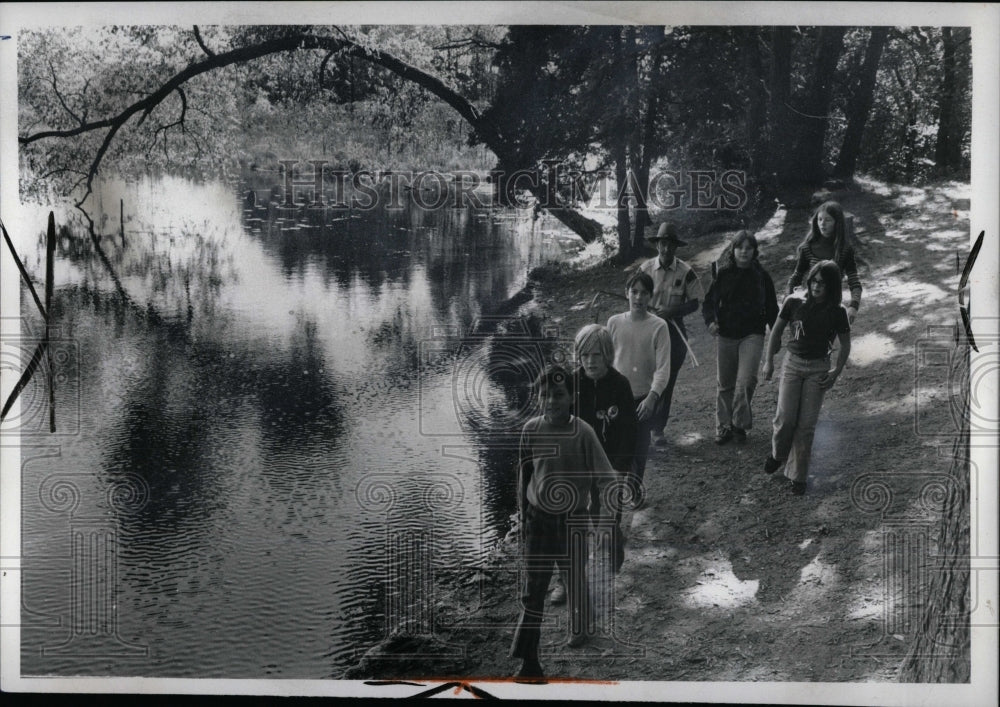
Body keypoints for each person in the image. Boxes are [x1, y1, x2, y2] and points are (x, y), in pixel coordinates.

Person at [510, 365, 619, 680]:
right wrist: (522, 519)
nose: (552, 401)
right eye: (545, 395)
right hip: (537, 520)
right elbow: (525, 475)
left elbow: (607, 480)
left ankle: (580, 625)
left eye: (559, 395)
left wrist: (605, 524)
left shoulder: (583, 432)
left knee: (574, 577)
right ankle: (528, 660)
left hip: (573, 521)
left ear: (572, 397)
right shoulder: (530, 429)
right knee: (533, 591)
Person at [762, 260, 852, 495]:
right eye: (814, 280)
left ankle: (798, 475)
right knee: (785, 418)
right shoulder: (794, 302)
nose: (817, 286)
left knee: (806, 426)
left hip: (818, 369)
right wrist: (769, 361)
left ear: (832, 286)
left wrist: (836, 372)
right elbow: (777, 331)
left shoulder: (837, 311)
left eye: (823, 283)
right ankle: (777, 454)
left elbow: (845, 344)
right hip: (793, 364)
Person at [702, 230, 779, 444]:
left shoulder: (762, 277)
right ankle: (723, 427)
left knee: (747, 380)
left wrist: (777, 334)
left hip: (752, 334)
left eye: (748, 248)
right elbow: (708, 304)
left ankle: (738, 422)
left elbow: (773, 308)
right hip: (726, 335)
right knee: (725, 384)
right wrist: (710, 322)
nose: (744, 252)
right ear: (733, 250)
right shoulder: (724, 275)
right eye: (740, 247)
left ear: (754, 251)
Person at [606, 272, 671, 508]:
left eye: (644, 292)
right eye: (634, 292)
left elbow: (663, 368)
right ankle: (617, 488)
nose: (639, 297)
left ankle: (634, 489)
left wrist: (653, 397)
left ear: (650, 296)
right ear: (627, 294)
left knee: (639, 448)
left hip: (645, 398)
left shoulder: (659, 326)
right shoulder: (614, 322)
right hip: (618, 397)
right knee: (618, 445)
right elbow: (607, 361)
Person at [640, 222, 705, 446]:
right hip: (647, 330)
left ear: (676, 247)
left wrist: (672, 311)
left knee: (666, 381)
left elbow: (696, 302)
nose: (666, 250)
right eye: (663, 244)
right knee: (645, 379)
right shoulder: (645, 269)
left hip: (673, 331)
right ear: (658, 245)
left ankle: (658, 429)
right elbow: (634, 295)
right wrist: (645, 307)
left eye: (670, 245)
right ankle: (641, 427)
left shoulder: (686, 272)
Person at [787, 200, 863, 325]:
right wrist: (789, 303)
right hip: (807, 306)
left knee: (826, 343)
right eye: (820, 219)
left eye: (828, 220)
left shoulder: (845, 250)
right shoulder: (807, 248)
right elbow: (795, 278)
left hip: (832, 307)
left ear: (837, 223)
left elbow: (854, 281)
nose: (822, 224)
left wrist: (854, 306)